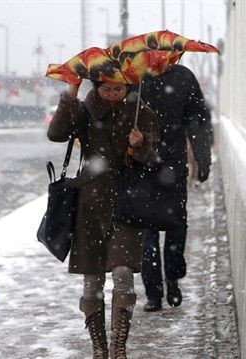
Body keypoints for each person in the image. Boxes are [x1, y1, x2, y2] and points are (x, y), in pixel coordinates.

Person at [47, 80, 159, 359]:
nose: (111, 95)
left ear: (127, 86)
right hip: (90, 203)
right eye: (105, 89)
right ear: (96, 87)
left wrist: (141, 144)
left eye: (117, 89)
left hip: (126, 202)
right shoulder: (85, 110)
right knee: (92, 279)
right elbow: (56, 133)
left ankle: (118, 347)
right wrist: (70, 97)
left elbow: (154, 158)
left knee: (122, 274)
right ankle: (99, 348)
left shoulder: (141, 112)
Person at [138, 64, 213, 312]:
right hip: (163, 166)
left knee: (154, 229)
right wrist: (202, 159)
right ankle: (165, 284)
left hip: (152, 166)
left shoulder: (138, 75)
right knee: (171, 226)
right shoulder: (182, 76)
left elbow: (197, 119)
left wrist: (202, 158)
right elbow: (198, 119)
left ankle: (157, 290)